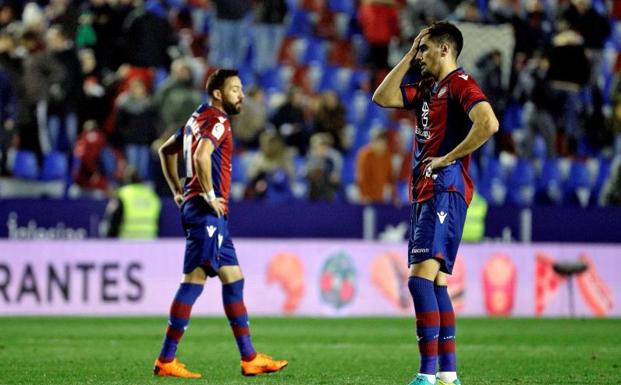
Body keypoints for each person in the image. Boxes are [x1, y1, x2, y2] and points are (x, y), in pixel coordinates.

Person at [372, 21, 498, 385]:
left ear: (445, 49)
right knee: (438, 283)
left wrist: (448, 158)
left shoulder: (460, 84)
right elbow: (382, 97)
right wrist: (410, 54)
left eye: (425, 49)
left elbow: (488, 124)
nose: (420, 56)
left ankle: (426, 376)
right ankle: (447, 375)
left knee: (419, 281)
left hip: (444, 188)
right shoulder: (428, 87)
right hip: (426, 190)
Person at [154, 69, 288, 378]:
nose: (241, 95)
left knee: (234, 279)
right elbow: (202, 156)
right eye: (235, 90)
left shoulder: (195, 119)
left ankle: (249, 357)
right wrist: (209, 195)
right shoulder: (217, 121)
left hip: (205, 213)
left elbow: (165, 151)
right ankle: (166, 359)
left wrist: (178, 190)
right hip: (206, 212)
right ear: (218, 94)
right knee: (192, 283)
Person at [100, 166, 161, 239]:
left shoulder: (122, 195)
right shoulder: (152, 196)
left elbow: (113, 223)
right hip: (149, 241)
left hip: (127, 243)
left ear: (126, 180)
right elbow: (159, 222)